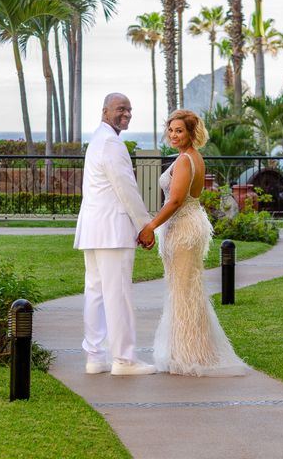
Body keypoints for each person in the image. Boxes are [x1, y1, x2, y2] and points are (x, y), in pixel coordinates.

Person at [138, 109, 249, 377]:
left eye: (179, 131)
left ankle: (191, 356)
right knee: (187, 290)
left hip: (185, 228)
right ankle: (190, 350)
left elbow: (175, 200)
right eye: (171, 130)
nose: (173, 135)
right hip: (190, 223)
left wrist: (151, 225)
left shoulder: (186, 160)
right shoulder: (192, 157)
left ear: (191, 133)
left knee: (184, 292)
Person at [74, 93, 157, 376]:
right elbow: (126, 189)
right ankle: (124, 359)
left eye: (130, 109)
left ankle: (95, 357)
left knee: (95, 292)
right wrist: (144, 225)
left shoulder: (97, 139)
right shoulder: (112, 143)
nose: (127, 114)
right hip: (112, 230)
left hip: (94, 229)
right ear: (105, 111)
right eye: (121, 109)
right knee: (118, 293)